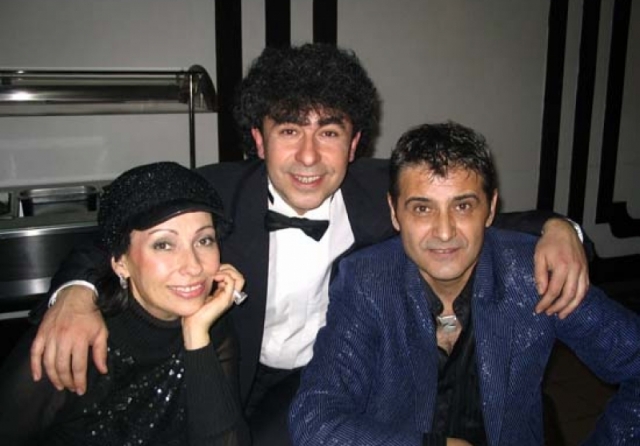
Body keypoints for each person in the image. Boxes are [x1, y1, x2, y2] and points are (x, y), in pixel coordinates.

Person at [30, 44, 589, 445]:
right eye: (290, 130)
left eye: (329, 132)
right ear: (258, 139)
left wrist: (561, 229)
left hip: (324, 375)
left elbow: (476, 218)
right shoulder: (217, 193)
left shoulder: (381, 192)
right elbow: (111, 235)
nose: (308, 156)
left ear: (354, 143)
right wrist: (75, 294)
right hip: (224, 365)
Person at [289, 122, 640, 446]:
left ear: (490, 208)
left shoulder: (532, 275)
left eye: (463, 206)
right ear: (395, 212)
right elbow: (314, 419)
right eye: (422, 209)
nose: (444, 232)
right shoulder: (367, 282)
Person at [0, 162, 249, 445]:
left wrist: (196, 336)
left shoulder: (212, 327)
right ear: (120, 262)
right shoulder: (75, 336)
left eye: (204, 240)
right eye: (163, 245)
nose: (193, 266)